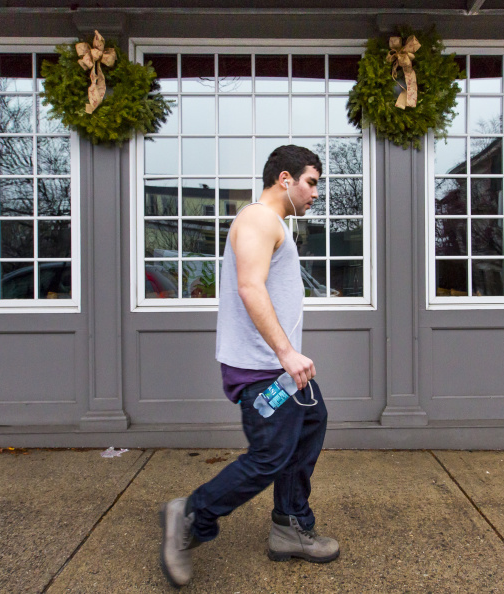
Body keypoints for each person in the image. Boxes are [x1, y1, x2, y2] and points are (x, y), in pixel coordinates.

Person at [159, 145, 339, 587]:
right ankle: (191, 515)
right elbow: (250, 287)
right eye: (311, 182)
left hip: (280, 372)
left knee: (310, 424)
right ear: (285, 179)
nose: (316, 193)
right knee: (269, 455)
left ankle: (290, 525)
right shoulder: (258, 219)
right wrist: (286, 353)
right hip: (263, 369)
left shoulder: (273, 224)